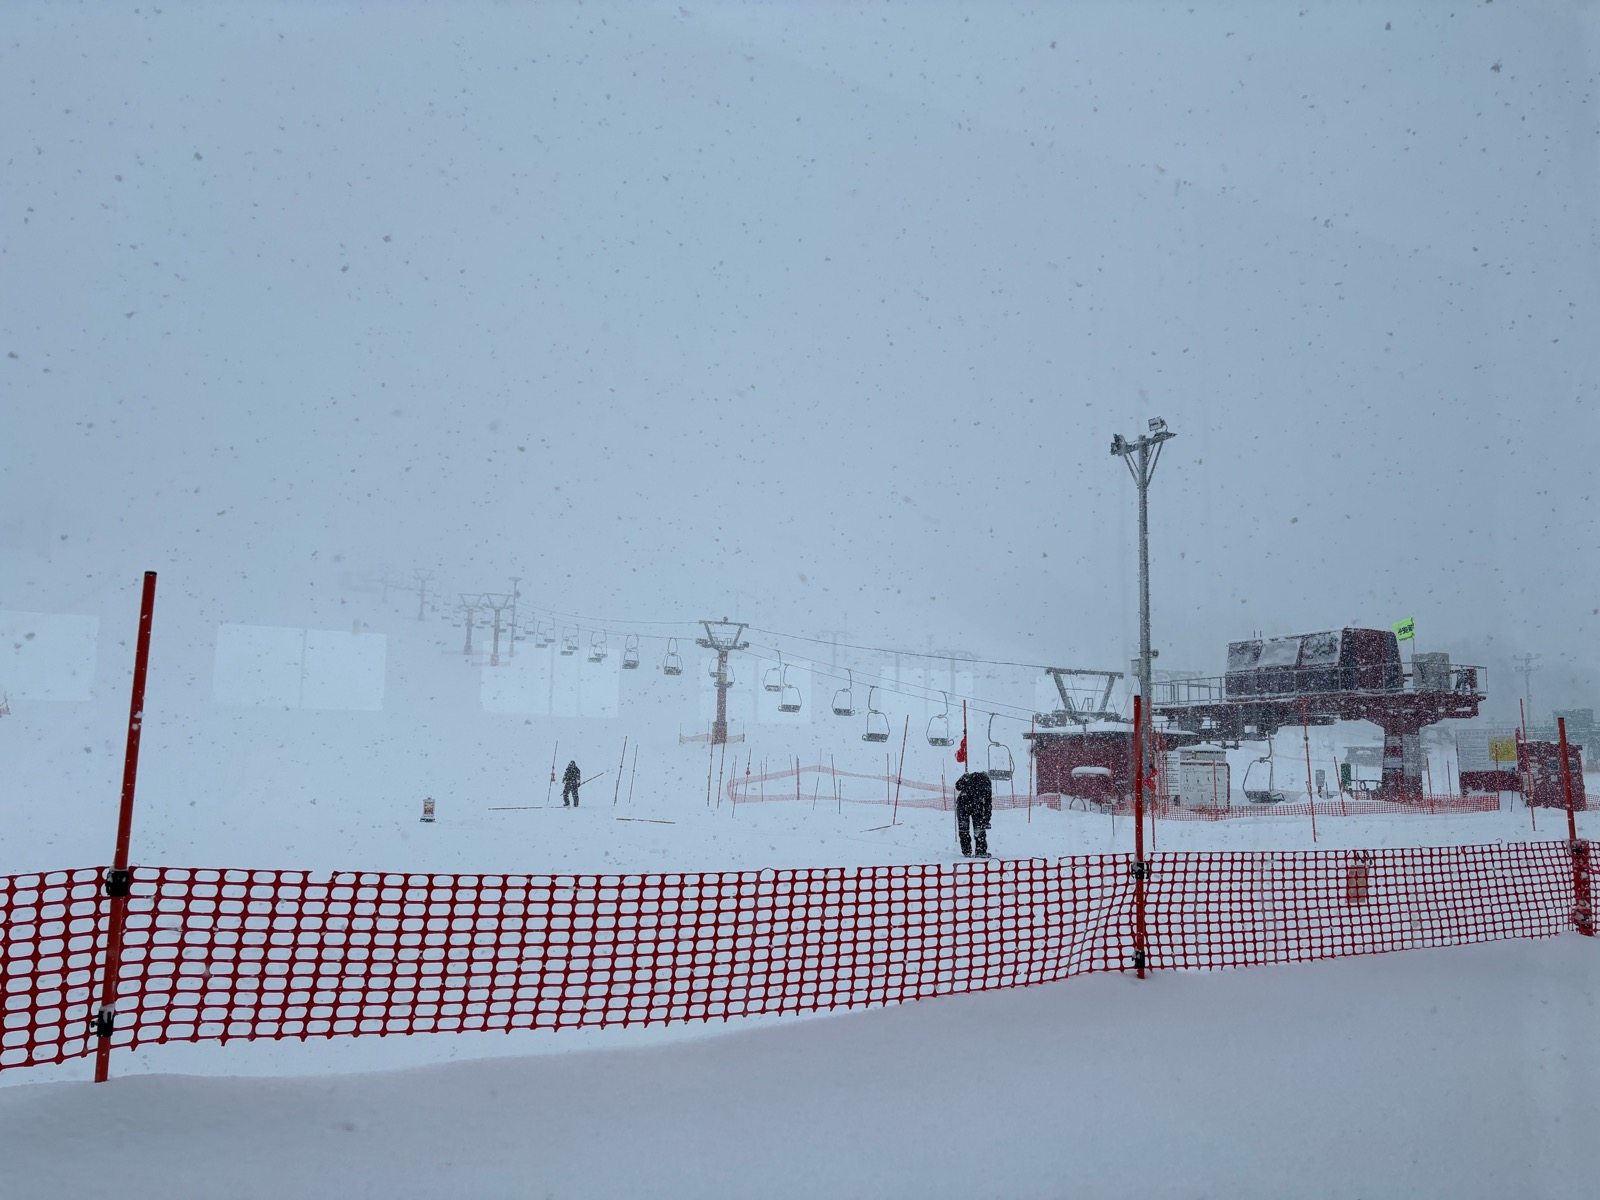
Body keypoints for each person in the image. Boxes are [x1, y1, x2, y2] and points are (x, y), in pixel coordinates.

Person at [954, 770, 993, 858]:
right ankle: (980, 851)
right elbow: (988, 804)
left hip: (963, 805)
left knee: (964, 829)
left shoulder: (969, 778)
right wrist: (987, 819)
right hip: (976, 806)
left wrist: (963, 778)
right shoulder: (987, 784)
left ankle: (966, 851)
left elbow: (958, 786)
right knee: (979, 829)